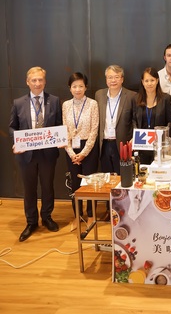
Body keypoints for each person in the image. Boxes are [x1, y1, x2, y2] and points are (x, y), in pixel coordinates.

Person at [9, 67, 62, 242]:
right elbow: (12, 127)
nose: (37, 83)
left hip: (48, 154)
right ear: (27, 82)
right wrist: (16, 142)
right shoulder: (18, 103)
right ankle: (31, 222)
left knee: (47, 187)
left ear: (45, 81)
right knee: (29, 189)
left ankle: (46, 217)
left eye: (40, 80)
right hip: (26, 155)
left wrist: (61, 138)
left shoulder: (54, 101)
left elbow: (60, 125)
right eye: (34, 80)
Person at [95, 65, 136, 220]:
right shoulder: (99, 95)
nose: (113, 80)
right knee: (107, 178)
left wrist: (133, 140)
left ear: (122, 79)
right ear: (106, 79)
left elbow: (134, 120)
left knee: (123, 178)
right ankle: (109, 210)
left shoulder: (131, 96)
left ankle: (124, 210)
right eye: (110, 77)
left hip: (123, 144)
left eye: (116, 77)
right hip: (104, 143)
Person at [62, 72, 99, 231]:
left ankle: (91, 215)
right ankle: (78, 216)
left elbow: (94, 130)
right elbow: (64, 130)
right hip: (71, 148)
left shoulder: (93, 104)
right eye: (74, 86)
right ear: (70, 88)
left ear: (86, 87)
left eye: (81, 86)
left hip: (88, 148)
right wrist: (71, 153)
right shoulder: (65, 105)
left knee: (89, 184)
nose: (78, 89)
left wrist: (84, 152)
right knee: (75, 185)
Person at [134, 67, 171, 165]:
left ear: (157, 81)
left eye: (152, 80)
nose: (149, 83)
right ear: (142, 82)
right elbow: (133, 120)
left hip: (159, 145)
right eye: (146, 81)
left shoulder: (165, 99)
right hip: (142, 145)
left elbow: (169, 121)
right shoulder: (136, 99)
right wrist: (134, 136)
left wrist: (164, 137)